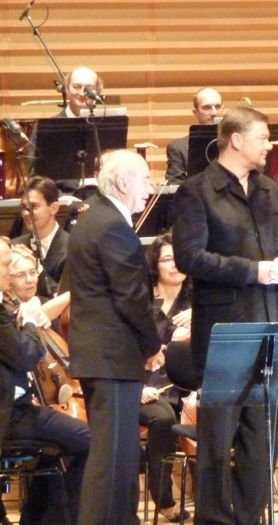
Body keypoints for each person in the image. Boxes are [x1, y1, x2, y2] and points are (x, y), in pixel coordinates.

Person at [172, 106, 278, 524]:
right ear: (237, 139)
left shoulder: (269, 190)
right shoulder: (197, 191)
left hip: (268, 322)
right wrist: (253, 271)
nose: (269, 144)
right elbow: (189, 256)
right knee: (218, 435)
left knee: (262, 434)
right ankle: (213, 519)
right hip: (224, 328)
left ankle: (250, 517)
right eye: (263, 137)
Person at [66, 149, 163, 524]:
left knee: (119, 460)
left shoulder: (94, 219)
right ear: (123, 183)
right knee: (112, 462)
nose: (149, 189)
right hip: (112, 359)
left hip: (103, 358)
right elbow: (131, 296)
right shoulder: (111, 226)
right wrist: (152, 345)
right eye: (144, 180)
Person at [0, 238, 90, 525]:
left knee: (57, 447)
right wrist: (27, 322)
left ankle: (37, 517)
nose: (8, 272)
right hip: (10, 415)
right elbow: (25, 356)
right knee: (89, 440)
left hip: (17, 407)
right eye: (5, 265)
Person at [142, 232, 192, 523]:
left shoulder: (198, 300)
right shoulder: (142, 301)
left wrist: (199, 317)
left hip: (187, 385)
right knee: (162, 418)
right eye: (166, 259)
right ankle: (164, 498)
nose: (174, 265)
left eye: (179, 258)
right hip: (147, 385)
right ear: (155, 265)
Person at [12, 176, 69, 297]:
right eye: (24, 207)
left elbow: (62, 296)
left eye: (34, 207)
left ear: (54, 208)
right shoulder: (14, 246)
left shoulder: (73, 247)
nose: (26, 213)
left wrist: (36, 267)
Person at [165, 87, 224, 184]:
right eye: (207, 107)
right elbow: (175, 186)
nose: (214, 113)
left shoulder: (236, 142)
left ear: (223, 108)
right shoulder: (178, 148)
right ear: (195, 112)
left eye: (217, 107)